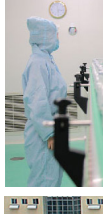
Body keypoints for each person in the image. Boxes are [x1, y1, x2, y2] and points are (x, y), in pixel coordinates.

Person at [23, 16, 67, 187]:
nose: (58, 39)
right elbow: (37, 100)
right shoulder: (38, 63)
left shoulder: (46, 60)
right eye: (56, 34)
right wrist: (49, 133)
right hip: (43, 133)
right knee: (44, 180)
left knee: (53, 177)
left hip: (51, 128)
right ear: (45, 36)